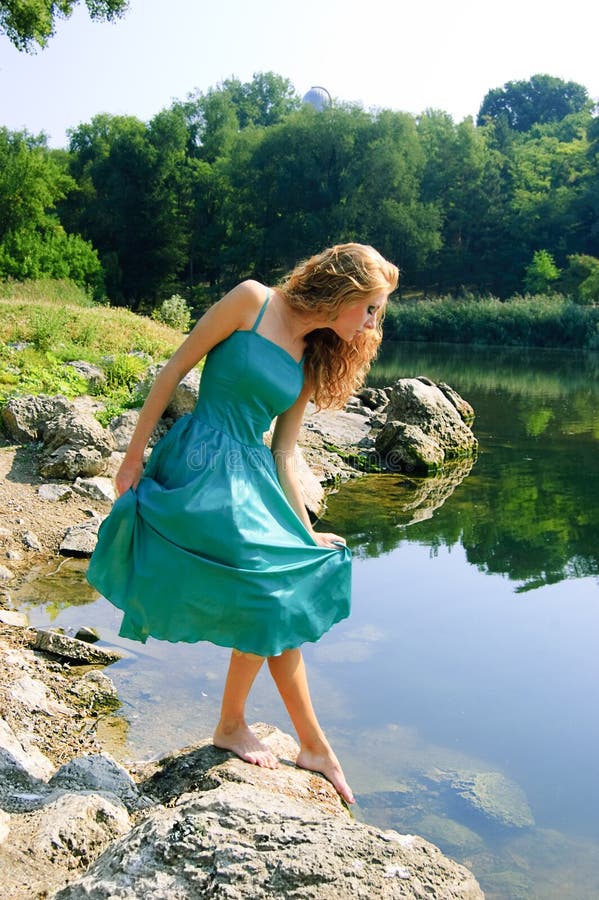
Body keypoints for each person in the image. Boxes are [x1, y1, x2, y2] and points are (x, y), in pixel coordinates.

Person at [87, 243, 399, 805]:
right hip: (202, 462)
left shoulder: (310, 358)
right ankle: (288, 738)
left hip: (251, 481)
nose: (373, 322)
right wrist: (132, 457)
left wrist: (302, 533)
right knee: (269, 593)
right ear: (345, 293)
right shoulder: (252, 301)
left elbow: (284, 453)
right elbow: (175, 368)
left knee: (282, 587)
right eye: (372, 308)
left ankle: (278, 735)